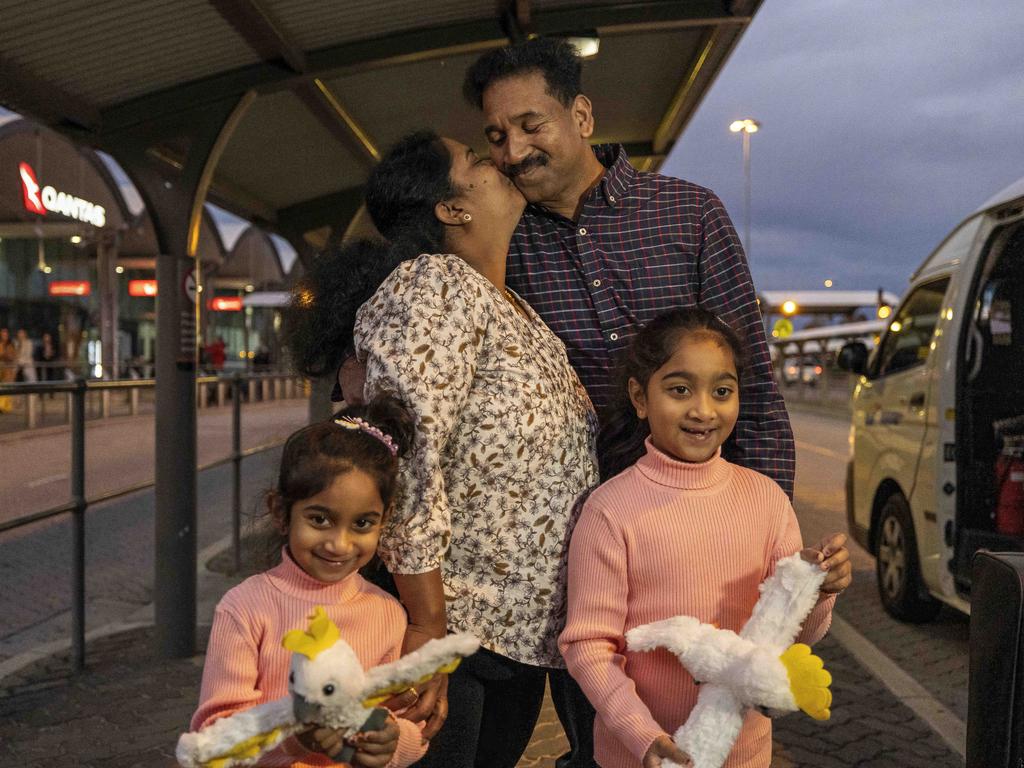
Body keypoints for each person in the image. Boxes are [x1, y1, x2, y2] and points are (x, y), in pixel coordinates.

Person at [290, 130, 598, 768]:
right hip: (453, 632)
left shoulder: (511, 308)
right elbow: (405, 452)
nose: (502, 160)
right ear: (451, 208)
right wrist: (426, 628)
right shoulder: (432, 284)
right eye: (479, 159)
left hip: (514, 640)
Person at [462, 38, 795, 494]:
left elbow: (751, 380)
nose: (514, 152)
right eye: (497, 137)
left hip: (702, 505)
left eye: (531, 125)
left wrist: (770, 522)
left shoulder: (689, 213)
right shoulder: (503, 243)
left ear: (581, 117)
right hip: (572, 520)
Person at [559, 308, 852, 768]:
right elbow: (589, 646)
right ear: (640, 396)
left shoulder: (765, 499)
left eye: (722, 391)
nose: (703, 410)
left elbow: (794, 638)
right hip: (636, 757)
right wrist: (642, 734)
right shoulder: (610, 510)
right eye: (679, 390)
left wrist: (818, 590)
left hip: (744, 754)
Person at [187, 394, 427, 768]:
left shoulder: (387, 613)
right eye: (320, 519)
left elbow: (400, 723)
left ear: (385, 518)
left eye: (362, 523)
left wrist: (393, 742)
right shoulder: (245, 608)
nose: (339, 544)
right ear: (281, 512)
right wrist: (294, 738)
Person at [0, 328, 16, 414]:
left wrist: (5, 355)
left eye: (5, 334)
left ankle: (5, 407)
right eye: (2, 334)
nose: (4, 336)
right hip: (1, 368)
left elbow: (12, 356)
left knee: (7, 387)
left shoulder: (10, 345)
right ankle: (2, 406)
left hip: (8, 369)